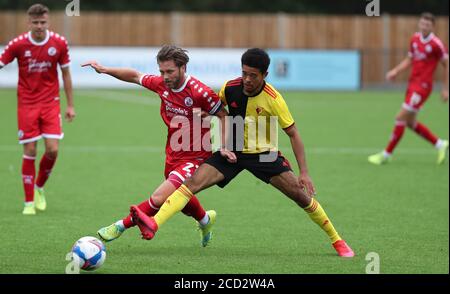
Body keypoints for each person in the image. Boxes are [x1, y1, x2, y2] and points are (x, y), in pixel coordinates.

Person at [129, 48, 355, 257]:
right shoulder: (230, 87)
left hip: (263, 155)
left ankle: (337, 240)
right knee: (190, 183)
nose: (247, 79)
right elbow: (216, 112)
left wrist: (304, 172)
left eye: (253, 75)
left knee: (300, 195)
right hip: (232, 152)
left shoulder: (274, 100)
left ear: (265, 74)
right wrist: (206, 122)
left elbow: (293, 134)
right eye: (244, 73)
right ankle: (155, 223)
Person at [82, 45, 228, 247]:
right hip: (173, 153)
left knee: (159, 198)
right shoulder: (162, 85)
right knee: (182, 198)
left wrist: (224, 147)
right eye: (162, 71)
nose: (165, 76)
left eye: (170, 71)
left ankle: (119, 226)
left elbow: (224, 116)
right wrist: (105, 69)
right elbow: (135, 76)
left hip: (196, 158)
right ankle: (205, 220)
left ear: (183, 67)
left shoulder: (199, 91)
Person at [0, 4, 75, 215]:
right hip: (26, 103)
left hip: (50, 102)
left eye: (43, 22)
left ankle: (39, 186)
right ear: (29, 23)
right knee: (30, 150)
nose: (40, 26)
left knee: (52, 149)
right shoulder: (18, 44)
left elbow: (66, 74)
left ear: (48, 22)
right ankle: (28, 203)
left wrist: (69, 104)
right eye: (36, 23)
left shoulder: (59, 43)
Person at [368, 12, 449, 165]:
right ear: (419, 23)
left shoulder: (436, 44)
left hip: (423, 87)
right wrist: (395, 71)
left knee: (400, 117)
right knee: (410, 123)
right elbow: (409, 59)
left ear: (433, 26)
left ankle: (386, 154)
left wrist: (446, 89)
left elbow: (447, 64)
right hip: (412, 84)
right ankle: (440, 144)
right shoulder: (415, 39)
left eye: (428, 24)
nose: (424, 26)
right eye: (423, 23)